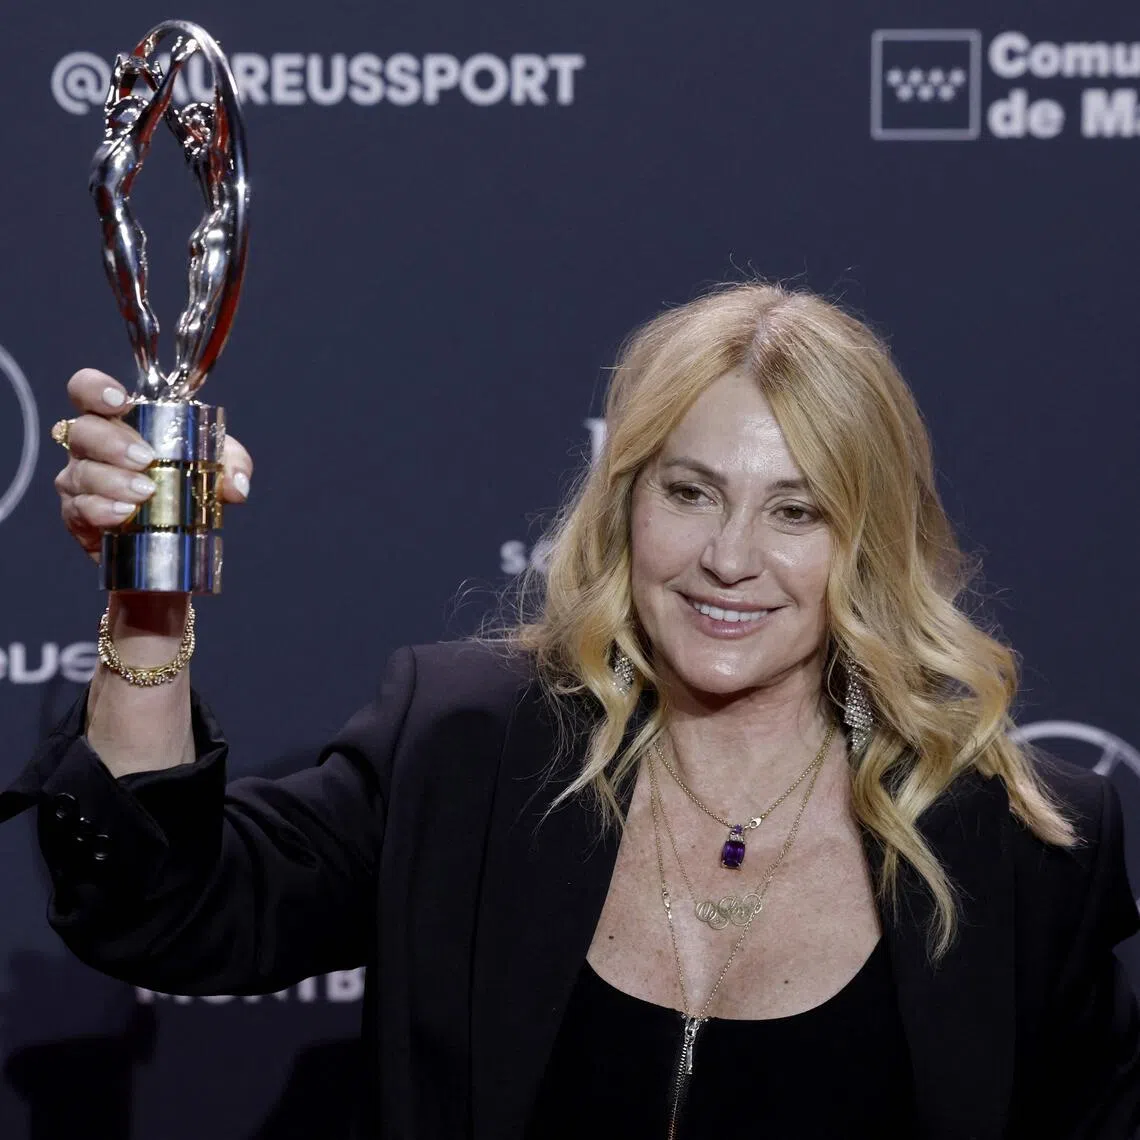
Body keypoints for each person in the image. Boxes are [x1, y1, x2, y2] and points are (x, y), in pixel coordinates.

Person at [4, 282, 1139, 1139]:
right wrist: (146, 593)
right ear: (625, 499)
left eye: (797, 512)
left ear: (868, 544)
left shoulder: (1026, 848)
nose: (730, 558)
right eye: (690, 493)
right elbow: (167, 911)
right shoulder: (465, 748)